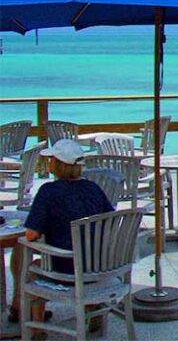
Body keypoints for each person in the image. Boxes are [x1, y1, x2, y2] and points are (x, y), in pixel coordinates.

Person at [8, 139, 114, 329]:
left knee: (26, 256)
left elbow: (31, 234)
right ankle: (94, 306)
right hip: (98, 266)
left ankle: (35, 326)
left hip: (65, 269)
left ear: (56, 164)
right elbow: (110, 221)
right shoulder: (93, 188)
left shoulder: (48, 192)